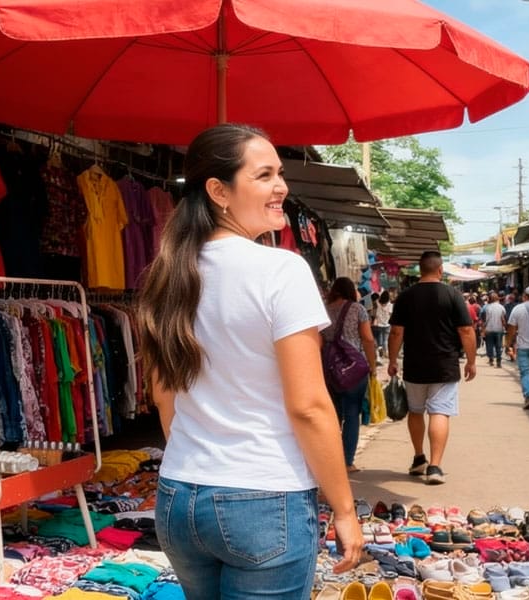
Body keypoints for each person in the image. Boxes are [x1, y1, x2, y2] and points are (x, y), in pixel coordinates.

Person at [136, 124, 363, 599]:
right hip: (263, 496)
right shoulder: (280, 269)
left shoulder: (167, 271)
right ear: (218, 191)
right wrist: (344, 509)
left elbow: (163, 395)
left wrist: (203, 452)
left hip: (180, 495)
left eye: (279, 173)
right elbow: (309, 406)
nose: (281, 186)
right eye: (264, 175)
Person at [387, 251, 476, 485]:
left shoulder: (406, 296)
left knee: (416, 411)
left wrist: (392, 360)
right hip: (445, 365)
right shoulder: (453, 294)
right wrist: (472, 361)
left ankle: (419, 459)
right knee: (439, 412)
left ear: (420, 269)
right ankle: (435, 467)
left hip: (414, 365)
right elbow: (466, 330)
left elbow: (396, 331)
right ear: (440, 270)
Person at [321, 277, 377, 473]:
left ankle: (329, 460)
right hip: (354, 368)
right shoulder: (357, 309)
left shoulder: (323, 310)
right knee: (352, 414)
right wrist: (372, 365)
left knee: (331, 414)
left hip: (328, 367)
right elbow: (368, 339)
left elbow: (319, 339)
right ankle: (347, 462)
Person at [481, 292, 507, 367]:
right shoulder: (501, 307)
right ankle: (499, 362)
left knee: (489, 345)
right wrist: (505, 327)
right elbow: (504, 318)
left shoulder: (487, 307)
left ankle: (491, 359)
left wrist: (483, 330)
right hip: (499, 329)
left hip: (489, 329)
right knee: (498, 346)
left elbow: (483, 319)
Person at [374, 290, 393, 359]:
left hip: (379, 324)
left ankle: (380, 351)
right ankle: (386, 352)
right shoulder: (390, 305)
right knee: (385, 339)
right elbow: (391, 315)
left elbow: (376, 297)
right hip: (387, 324)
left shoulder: (378, 303)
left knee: (380, 338)